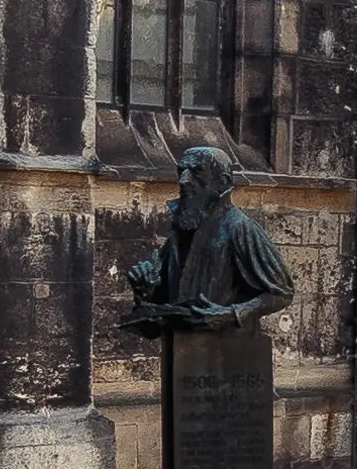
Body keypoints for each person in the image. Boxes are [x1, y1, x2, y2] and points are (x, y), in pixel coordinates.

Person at [126, 141, 294, 336]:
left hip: (227, 347)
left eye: (196, 172)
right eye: (181, 171)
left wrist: (231, 314)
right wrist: (145, 289)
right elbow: (162, 305)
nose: (183, 180)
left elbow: (282, 292)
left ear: (222, 181)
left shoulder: (239, 227)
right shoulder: (181, 229)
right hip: (183, 346)